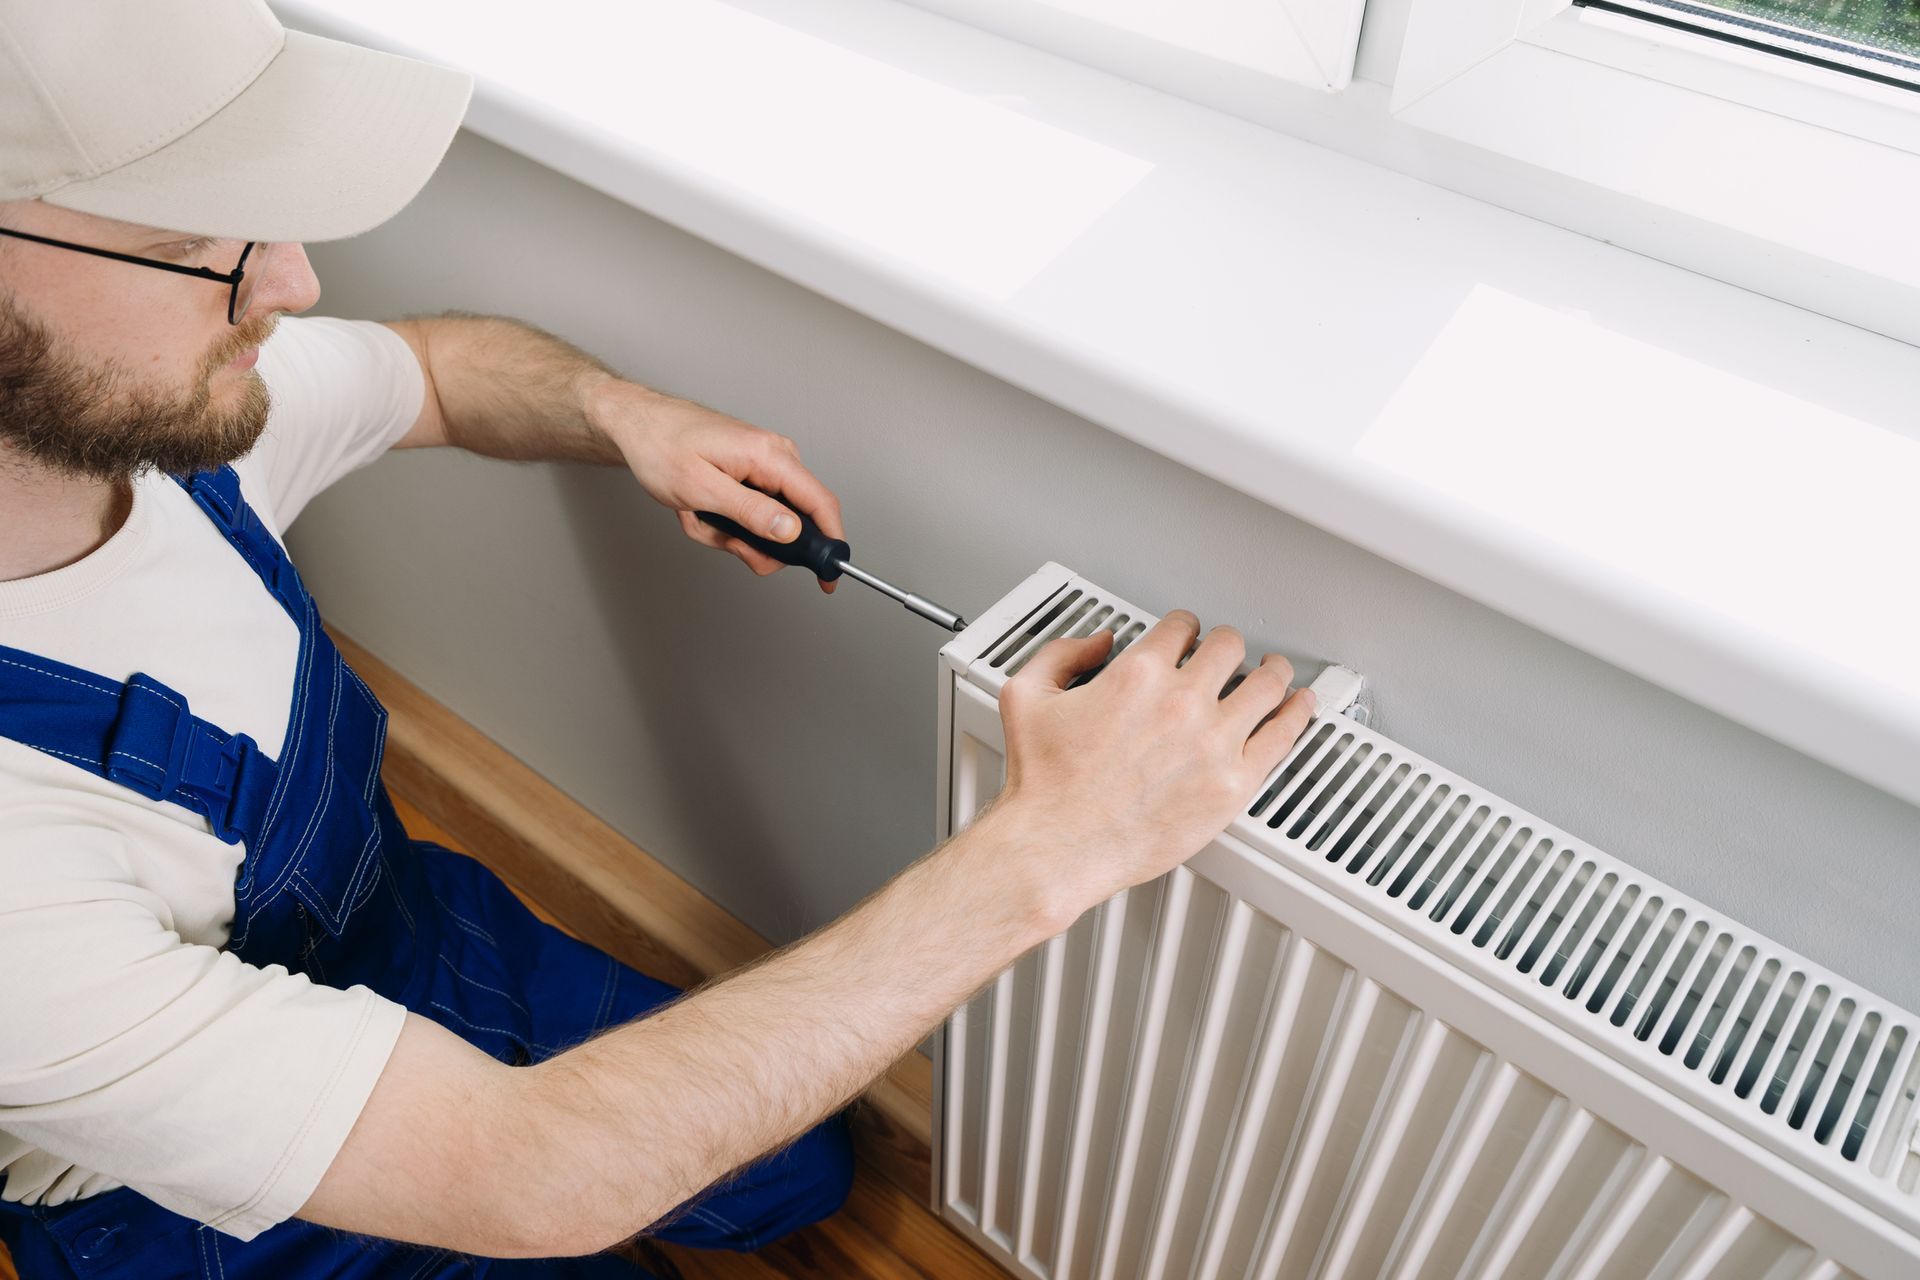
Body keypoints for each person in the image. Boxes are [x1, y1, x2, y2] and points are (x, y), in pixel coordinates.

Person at [0, 2, 1317, 1277]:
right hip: (199, 1217)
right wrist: (1063, 839)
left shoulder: (158, 426)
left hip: (395, 939)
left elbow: (440, 367)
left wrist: (626, 414)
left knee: (799, 1168)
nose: (291, 280)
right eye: (192, 240)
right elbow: (530, 1171)